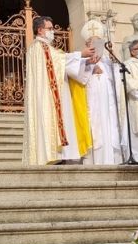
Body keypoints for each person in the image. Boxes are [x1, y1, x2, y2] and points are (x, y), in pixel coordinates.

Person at [23, 15, 95, 165]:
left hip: (54, 92)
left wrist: (86, 61)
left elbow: (63, 62)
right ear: (40, 30)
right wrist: (80, 54)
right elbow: (58, 59)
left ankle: (60, 155)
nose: (52, 32)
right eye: (50, 29)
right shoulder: (39, 46)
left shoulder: (45, 48)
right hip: (48, 96)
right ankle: (53, 155)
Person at [79, 20, 122, 165]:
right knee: (95, 127)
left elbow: (117, 78)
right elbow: (78, 77)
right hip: (91, 101)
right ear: (87, 45)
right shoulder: (82, 59)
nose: (95, 45)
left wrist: (114, 61)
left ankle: (113, 159)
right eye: (92, 42)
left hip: (108, 102)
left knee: (110, 127)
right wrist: (90, 67)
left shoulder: (108, 61)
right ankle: (93, 160)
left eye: (98, 42)